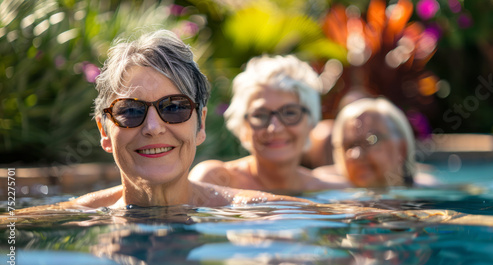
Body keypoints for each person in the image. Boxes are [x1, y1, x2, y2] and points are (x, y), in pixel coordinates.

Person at [19, 30, 310, 211]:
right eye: (131, 110)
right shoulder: (67, 217)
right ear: (104, 131)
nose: (154, 127)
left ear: (201, 125)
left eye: (174, 108)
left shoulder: (261, 212)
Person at [189, 55, 348, 194]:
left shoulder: (330, 190)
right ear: (242, 126)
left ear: (311, 122)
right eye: (260, 115)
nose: (275, 127)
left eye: (290, 113)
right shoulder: (215, 180)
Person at [313, 97, 436, 188]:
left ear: (401, 148)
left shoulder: (431, 194)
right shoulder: (321, 190)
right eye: (348, 146)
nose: (355, 155)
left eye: (371, 140)